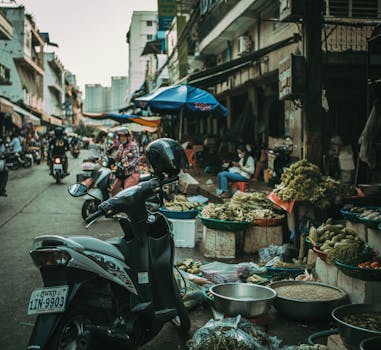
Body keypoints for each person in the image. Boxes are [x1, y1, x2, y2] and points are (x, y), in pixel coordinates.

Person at [111, 127, 140, 196]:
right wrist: (109, 160)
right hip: (122, 173)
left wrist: (128, 165)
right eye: (120, 136)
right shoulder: (121, 146)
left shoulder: (133, 145)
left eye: (124, 136)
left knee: (127, 193)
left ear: (128, 137)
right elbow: (117, 157)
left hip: (132, 173)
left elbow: (136, 158)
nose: (122, 138)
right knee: (114, 190)